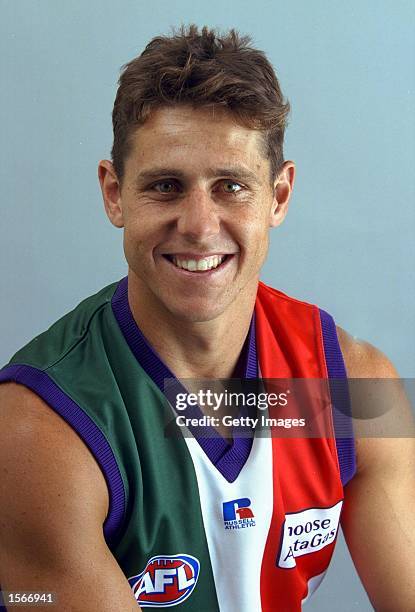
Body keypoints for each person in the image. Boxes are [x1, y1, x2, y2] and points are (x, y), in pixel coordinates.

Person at [0, 24, 414, 612]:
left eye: (231, 187)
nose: (198, 224)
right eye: (166, 186)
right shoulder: (37, 432)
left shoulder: (350, 389)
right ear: (114, 194)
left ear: (279, 196)